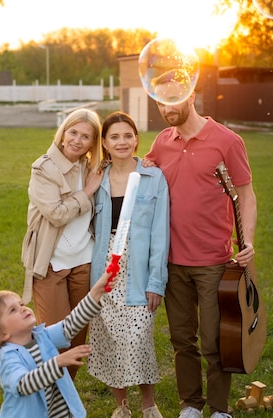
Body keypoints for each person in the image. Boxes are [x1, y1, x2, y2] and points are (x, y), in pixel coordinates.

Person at [144, 83, 257, 418]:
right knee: (182, 340)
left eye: (174, 99)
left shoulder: (227, 141)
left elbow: (247, 194)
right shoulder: (162, 141)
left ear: (192, 97)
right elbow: (140, 171)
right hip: (171, 262)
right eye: (161, 102)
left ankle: (220, 409)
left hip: (214, 261)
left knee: (215, 340)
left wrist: (247, 240)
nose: (167, 108)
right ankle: (191, 404)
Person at [87, 112, 170, 418]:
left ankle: (148, 404)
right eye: (114, 137)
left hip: (139, 269)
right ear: (105, 144)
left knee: (138, 337)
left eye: (128, 135)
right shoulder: (97, 178)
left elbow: (160, 232)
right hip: (104, 268)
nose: (122, 142)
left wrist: (156, 282)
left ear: (137, 139)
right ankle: (121, 405)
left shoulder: (153, 177)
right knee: (108, 336)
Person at [21, 108, 103, 379]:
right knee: (56, 341)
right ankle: (49, 396)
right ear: (63, 132)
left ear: (93, 142)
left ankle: (65, 399)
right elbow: (56, 214)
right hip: (51, 263)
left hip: (83, 261)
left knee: (78, 341)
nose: (77, 140)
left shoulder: (91, 167)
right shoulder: (43, 168)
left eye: (86, 136)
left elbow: (125, 154)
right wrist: (87, 192)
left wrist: (146, 163)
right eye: (73, 132)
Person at [0, 271, 116, 417]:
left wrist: (96, 291)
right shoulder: (9, 358)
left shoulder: (40, 336)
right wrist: (57, 362)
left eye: (21, 304)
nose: (23, 308)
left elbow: (70, 324)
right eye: (13, 310)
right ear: (3, 334)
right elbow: (23, 385)